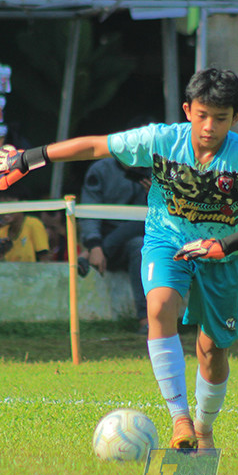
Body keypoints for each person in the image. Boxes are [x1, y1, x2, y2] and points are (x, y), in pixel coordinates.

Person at [0, 68, 238, 451]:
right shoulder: (160, 140)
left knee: (212, 351)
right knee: (159, 305)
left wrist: (227, 245)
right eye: (202, 115)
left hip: (219, 255)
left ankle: (204, 427)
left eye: (221, 118)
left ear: (236, 118)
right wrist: (29, 158)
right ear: (187, 109)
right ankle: (180, 419)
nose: (209, 126)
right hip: (167, 242)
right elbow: (96, 146)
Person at [78, 118, 154, 335]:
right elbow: (89, 211)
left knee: (140, 241)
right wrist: (94, 245)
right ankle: (145, 319)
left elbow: (168, 213)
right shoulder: (100, 170)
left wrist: (155, 197)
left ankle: (146, 319)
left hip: (144, 237)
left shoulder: (154, 169)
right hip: (104, 245)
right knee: (137, 238)